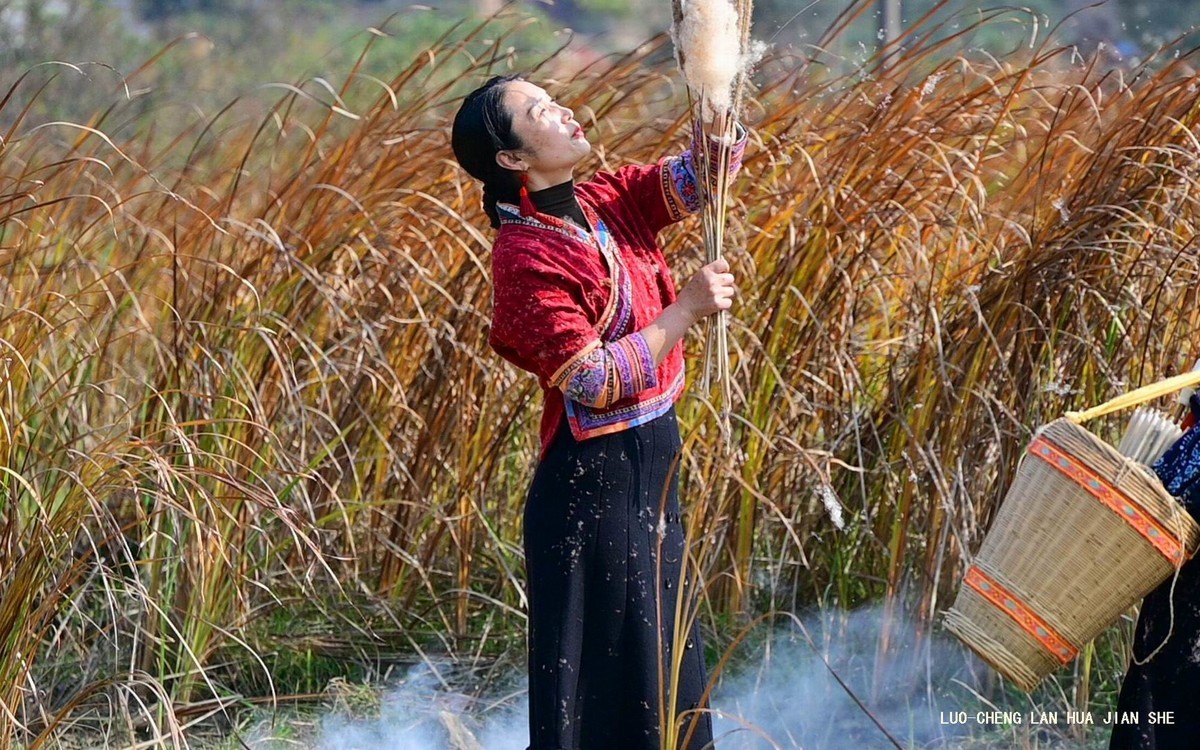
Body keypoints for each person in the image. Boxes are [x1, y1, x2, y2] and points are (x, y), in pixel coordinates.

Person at [450, 74, 745, 749]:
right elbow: (592, 379)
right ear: (512, 158)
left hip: (649, 479)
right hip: (591, 496)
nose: (564, 111)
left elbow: (700, 180)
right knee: (616, 690)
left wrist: (716, 119)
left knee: (665, 670)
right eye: (539, 111)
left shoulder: (607, 199)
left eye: (553, 98)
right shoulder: (523, 256)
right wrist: (686, 309)